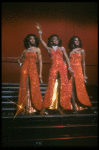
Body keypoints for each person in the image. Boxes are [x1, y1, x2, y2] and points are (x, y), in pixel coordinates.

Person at [35, 23, 73, 115]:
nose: (56, 40)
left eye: (57, 39)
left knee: (62, 86)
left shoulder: (62, 48)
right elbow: (40, 40)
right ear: (51, 41)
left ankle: (61, 107)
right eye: (54, 39)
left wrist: (70, 68)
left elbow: (67, 59)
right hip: (54, 67)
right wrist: (40, 31)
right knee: (51, 86)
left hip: (62, 67)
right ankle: (45, 108)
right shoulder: (49, 49)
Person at [17, 34, 43, 115]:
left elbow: (41, 62)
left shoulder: (37, 50)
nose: (32, 40)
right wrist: (21, 65)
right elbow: (18, 59)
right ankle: (25, 108)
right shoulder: (25, 51)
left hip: (33, 69)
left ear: (35, 40)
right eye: (30, 39)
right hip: (24, 69)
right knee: (25, 87)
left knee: (34, 87)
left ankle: (36, 107)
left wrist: (40, 74)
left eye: (33, 39)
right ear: (28, 41)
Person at [68, 36, 92, 113]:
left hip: (78, 71)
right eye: (75, 40)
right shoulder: (70, 52)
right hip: (71, 71)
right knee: (71, 89)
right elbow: (67, 62)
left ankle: (86, 106)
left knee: (80, 88)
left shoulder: (82, 50)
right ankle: (74, 107)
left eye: (78, 40)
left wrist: (84, 74)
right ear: (73, 42)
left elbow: (83, 63)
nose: (77, 42)